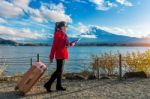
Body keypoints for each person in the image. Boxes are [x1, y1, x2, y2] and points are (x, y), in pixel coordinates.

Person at [44, 21, 76, 92]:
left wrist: (72, 44)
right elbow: (54, 46)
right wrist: (51, 57)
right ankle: (48, 84)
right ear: (60, 27)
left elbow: (66, 45)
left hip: (63, 54)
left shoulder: (64, 35)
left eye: (66, 26)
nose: (65, 28)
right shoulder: (58, 34)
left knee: (60, 71)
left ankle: (58, 86)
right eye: (64, 26)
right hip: (59, 55)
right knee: (58, 71)